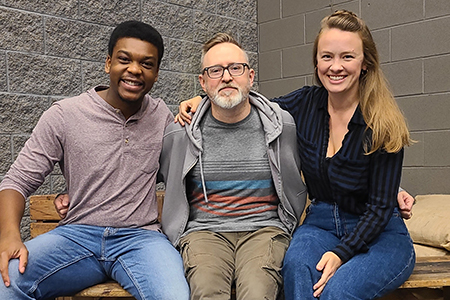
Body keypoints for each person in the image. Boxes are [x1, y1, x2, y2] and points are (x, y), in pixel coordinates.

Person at [176, 10, 416, 300]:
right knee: (295, 269)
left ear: (365, 64)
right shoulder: (304, 104)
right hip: (321, 222)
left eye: (347, 57)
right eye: (327, 57)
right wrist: (203, 99)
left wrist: (342, 253)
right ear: (316, 63)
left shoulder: (383, 123)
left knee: (337, 292)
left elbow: (378, 208)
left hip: (378, 229)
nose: (335, 66)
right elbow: (248, 104)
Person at [0, 20, 189, 300]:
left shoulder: (162, 117)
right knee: (7, 281)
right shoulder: (65, 115)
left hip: (141, 240)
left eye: (146, 64)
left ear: (157, 73)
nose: (135, 70)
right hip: (76, 237)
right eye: (124, 59)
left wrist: (199, 100)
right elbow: (17, 180)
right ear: (108, 63)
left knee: (173, 296)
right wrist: (9, 236)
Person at [160, 33, 307, 300]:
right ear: (203, 82)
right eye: (215, 70)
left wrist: (391, 189)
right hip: (205, 232)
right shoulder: (181, 133)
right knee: (205, 291)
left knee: (258, 293)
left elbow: (324, 161)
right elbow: (144, 173)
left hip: (264, 230)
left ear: (250, 77)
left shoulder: (280, 125)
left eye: (235, 68)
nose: (226, 77)